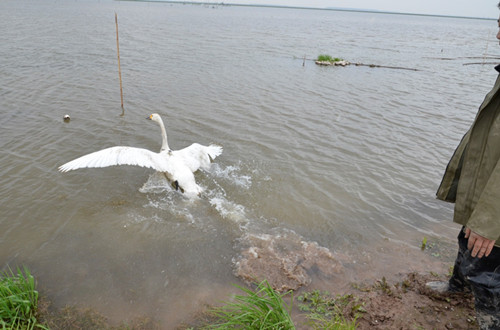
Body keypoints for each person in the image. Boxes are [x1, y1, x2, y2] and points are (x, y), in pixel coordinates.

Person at [429, 4, 500, 329]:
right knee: (467, 241)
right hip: (485, 191)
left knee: (486, 271)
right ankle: (456, 290)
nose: (498, 33)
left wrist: (489, 220)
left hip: (495, 205)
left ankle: (489, 322)